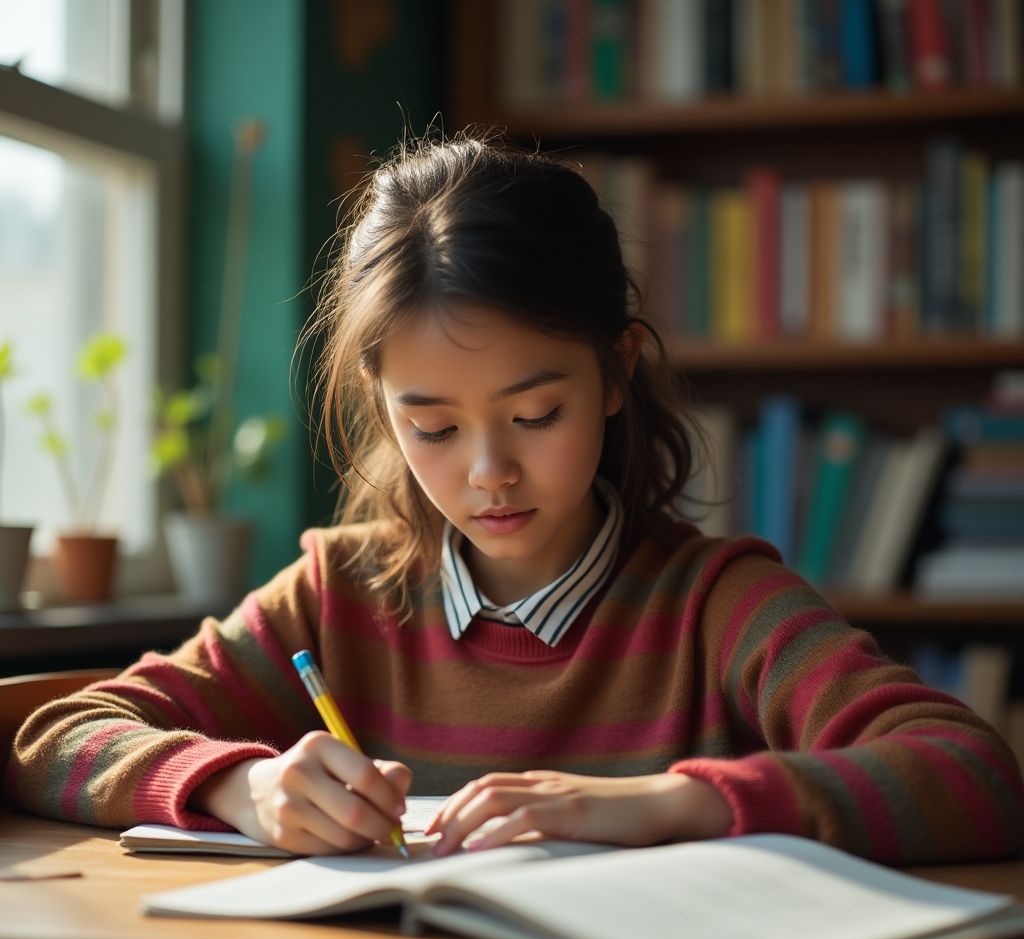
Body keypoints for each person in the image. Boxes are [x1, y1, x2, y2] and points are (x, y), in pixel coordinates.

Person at [8, 128, 1023, 865]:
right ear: (381, 403)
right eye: (434, 428)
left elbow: (971, 776)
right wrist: (244, 783)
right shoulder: (338, 590)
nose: (487, 472)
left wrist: (674, 804)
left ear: (616, 371)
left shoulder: (713, 604)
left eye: (535, 414)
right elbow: (56, 735)